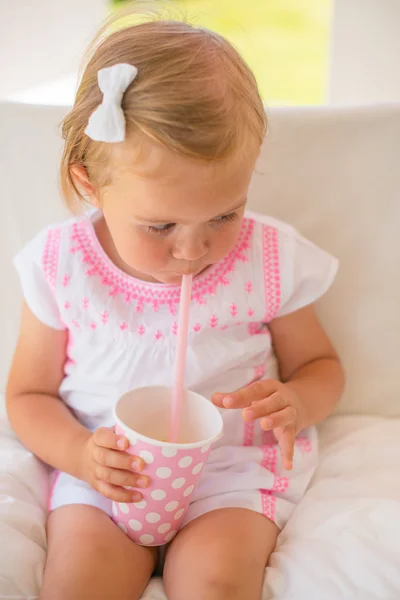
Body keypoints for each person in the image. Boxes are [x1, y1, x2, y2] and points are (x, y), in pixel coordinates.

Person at [6, 6, 344, 600]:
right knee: (79, 585)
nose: (195, 250)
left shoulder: (268, 259)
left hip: (228, 473)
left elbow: (322, 369)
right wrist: (82, 456)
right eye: (160, 226)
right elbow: (27, 396)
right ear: (90, 183)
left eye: (223, 215)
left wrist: (295, 400)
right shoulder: (62, 265)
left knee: (214, 584)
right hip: (107, 471)